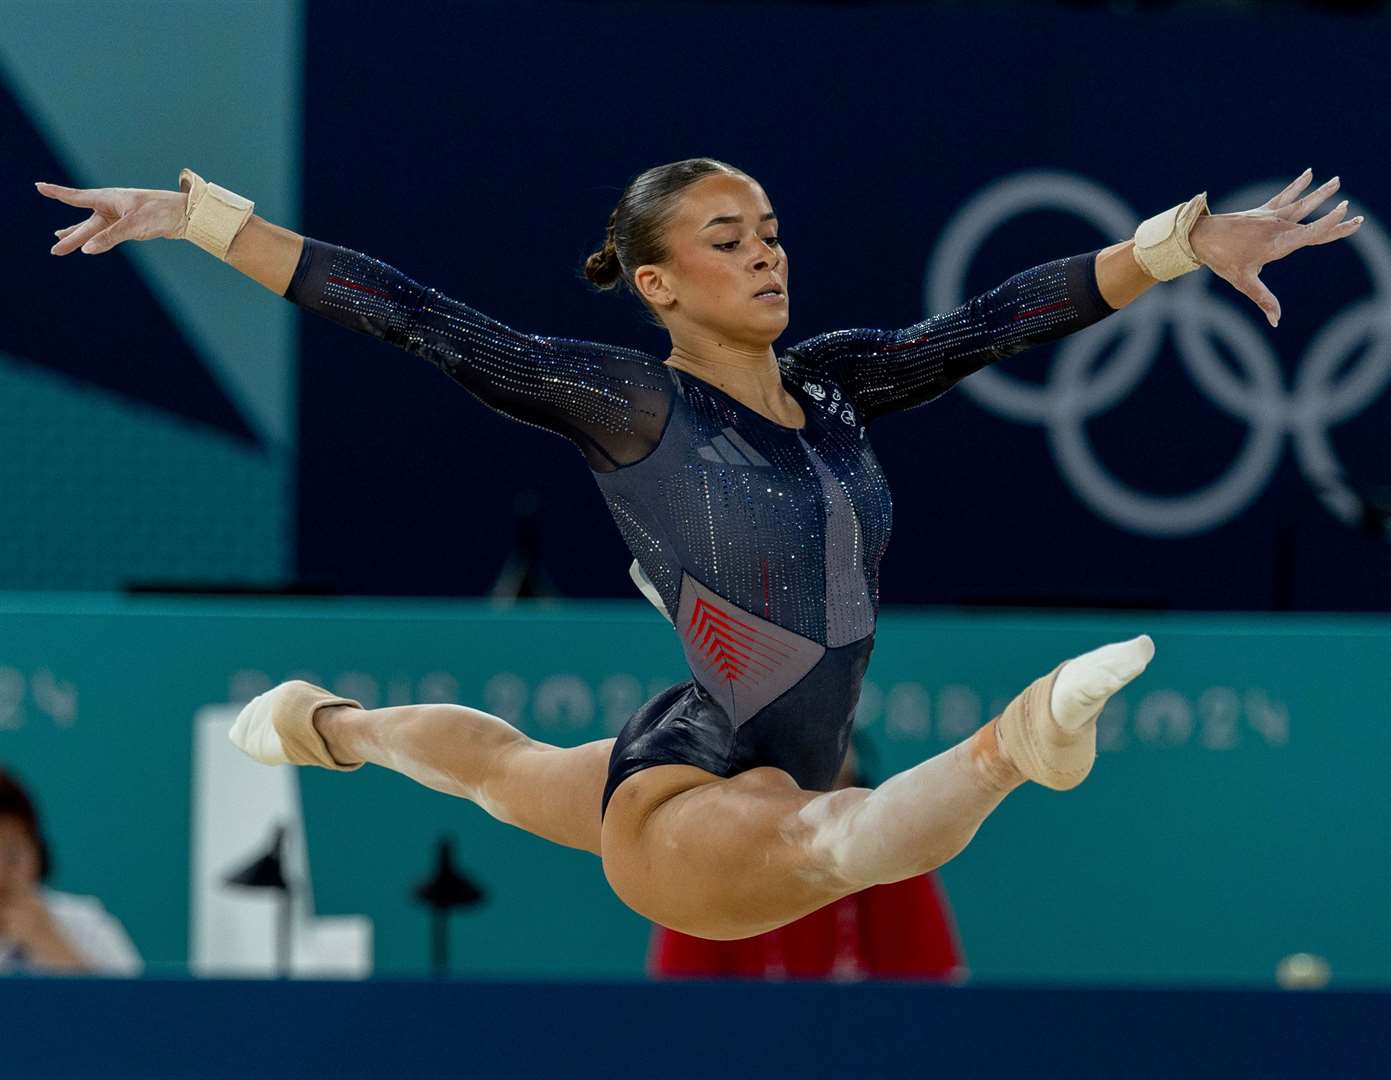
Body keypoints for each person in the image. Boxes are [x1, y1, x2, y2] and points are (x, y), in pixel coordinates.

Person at [36, 160, 1359, 941]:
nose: (763, 255)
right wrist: (200, 221)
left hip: (704, 736)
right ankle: (1014, 748)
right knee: (827, 844)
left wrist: (1178, 244)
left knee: (503, 767)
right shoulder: (633, 405)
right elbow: (416, 319)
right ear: (658, 283)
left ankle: (325, 725)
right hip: (695, 802)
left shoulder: (837, 380)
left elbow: (997, 321)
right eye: (725, 241)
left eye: (770, 233)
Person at [648, 742, 967, 981]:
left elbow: (933, 1007)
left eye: (835, 788)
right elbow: (680, 1015)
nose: (817, 807)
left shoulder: (892, 863)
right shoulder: (708, 872)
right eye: (799, 787)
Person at [0, 768, 142, 976]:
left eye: (12, 855)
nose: (2, 873)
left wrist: (50, 944)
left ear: (37, 854)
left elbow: (137, 1005)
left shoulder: (84, 925)